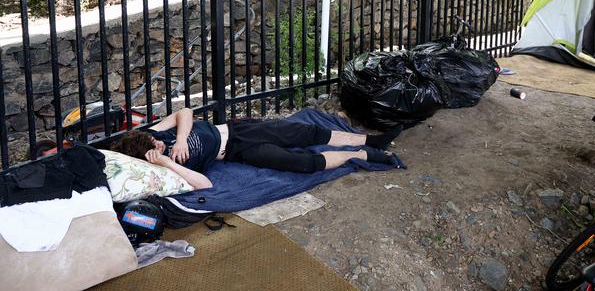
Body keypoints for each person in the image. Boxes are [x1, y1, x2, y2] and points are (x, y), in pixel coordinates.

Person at [111, 108, 402, 190]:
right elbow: (205, 184)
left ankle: (370, 141)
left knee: (304, 132)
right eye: (156, 147)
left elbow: (184, 112)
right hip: (237, 152)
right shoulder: (160, 167)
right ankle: (361, 155)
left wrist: (182, 139)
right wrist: (166, 162)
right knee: (301, 163)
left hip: (237, 130)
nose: (161, 143)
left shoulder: (151, 133)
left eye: (157, 141)